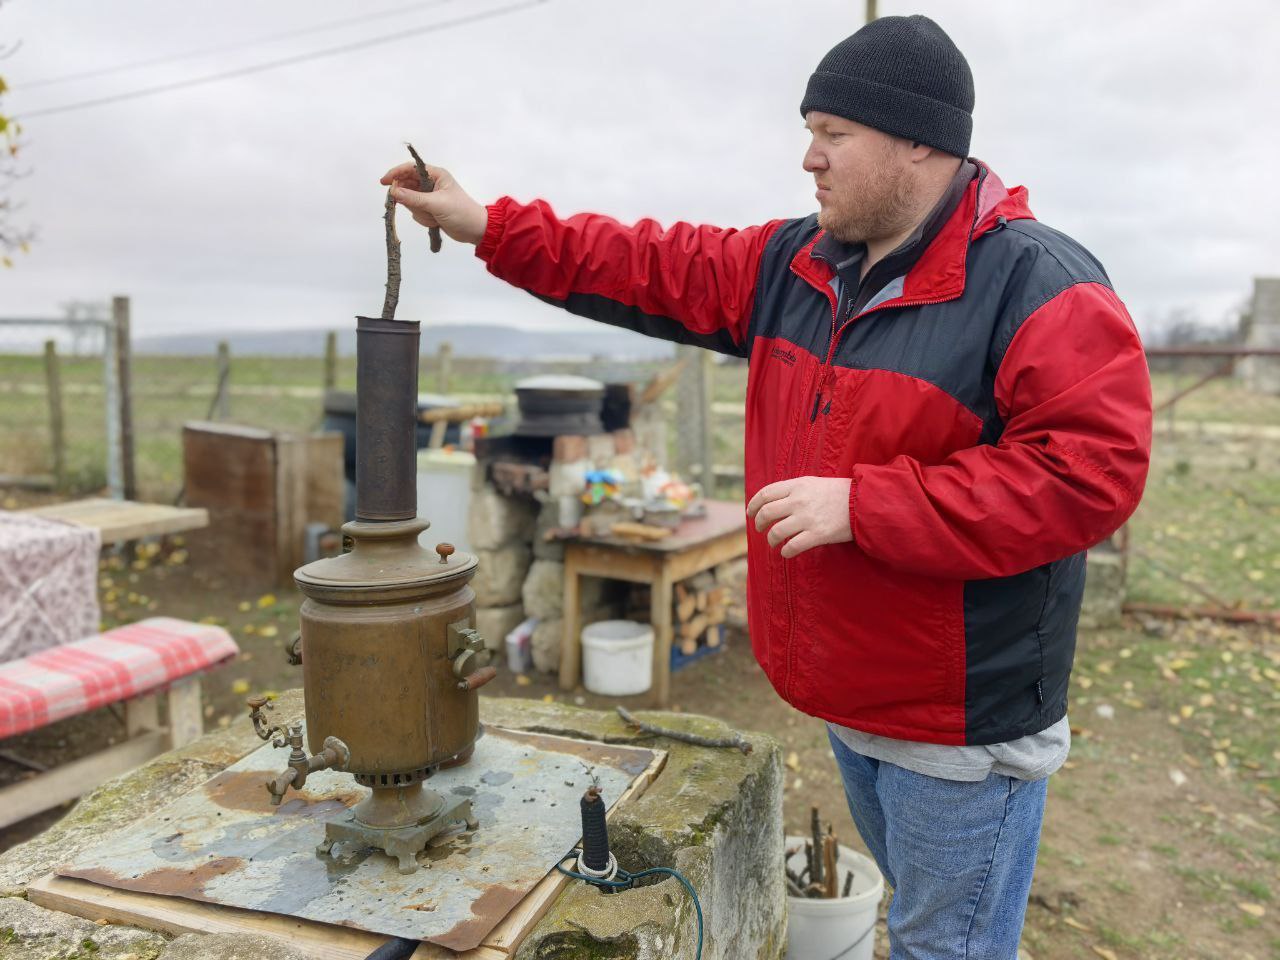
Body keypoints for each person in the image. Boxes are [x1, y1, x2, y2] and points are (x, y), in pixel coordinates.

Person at [381, 14, 1152, 959]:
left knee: (940, 948)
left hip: (956, 729)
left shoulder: (1039, 283)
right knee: (918, 923)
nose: (809, 159)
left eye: (833, 134)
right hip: (849, 698)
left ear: (920, 142)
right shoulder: (798, 264)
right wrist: (489, 224)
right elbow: (646, 263)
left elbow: (1088, 477)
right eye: (809, 132)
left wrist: (865, 505)